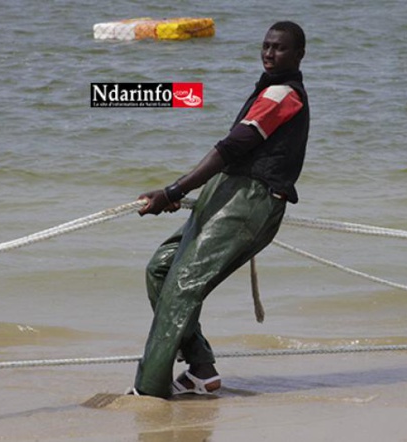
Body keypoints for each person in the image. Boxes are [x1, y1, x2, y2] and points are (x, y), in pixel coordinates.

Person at [130, 21, 309, 398]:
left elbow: (230, 148)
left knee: (181, 287)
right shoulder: (268, 90)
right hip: (225, 193)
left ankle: (149, 392)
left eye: (279, 48)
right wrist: (180, 192)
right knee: (161, 269)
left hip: (252, 203)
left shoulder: (285, 96)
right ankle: (201, 370)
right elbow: (232, 158)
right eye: (265, 46)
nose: (269, 53)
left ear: (299, 55)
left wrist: (173, 190)